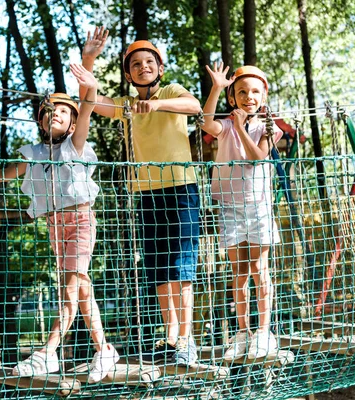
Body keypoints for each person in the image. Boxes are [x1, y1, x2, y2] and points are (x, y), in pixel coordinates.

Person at [0, 64, 119, 383]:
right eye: (48, 111)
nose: (55, 115)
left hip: (80, 219)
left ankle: (48, 352)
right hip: (54, 224)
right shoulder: (33, 153)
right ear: (39, 120)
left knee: (70, 286)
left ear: (73, 121)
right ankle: (103, 348)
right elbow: (5, 175)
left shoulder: (74, 145)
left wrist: (88, 83)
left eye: (63, 111)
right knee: (81, 288)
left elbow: (87, 108)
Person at [79, 27, 202, 366]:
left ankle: (188, 338)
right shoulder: (128, 106)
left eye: (149, 62)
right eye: (135, 64)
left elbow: (192, 105)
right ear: (129, 75)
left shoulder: (172, 91)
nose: (143, 67)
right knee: (159, 265)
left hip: (181, 188)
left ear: (159, 68)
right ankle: (172, 335)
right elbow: (91, 101)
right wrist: (89, 59)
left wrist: (158, 103)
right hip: (146, 192)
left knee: (182, 263)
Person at [202, 62, 282, 360]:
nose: (249, 96)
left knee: (261, 270)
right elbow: (205, 122)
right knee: (239, 274)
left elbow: (257, 157)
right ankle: (242, 332)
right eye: (242, 92)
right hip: (231, 208)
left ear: (263, 97)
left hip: (259, 208)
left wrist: (239, 126)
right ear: (233, 98)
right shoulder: (224, 125)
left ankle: (263, 331)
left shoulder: (268, 128)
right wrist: (216, 88)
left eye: (255, 92)